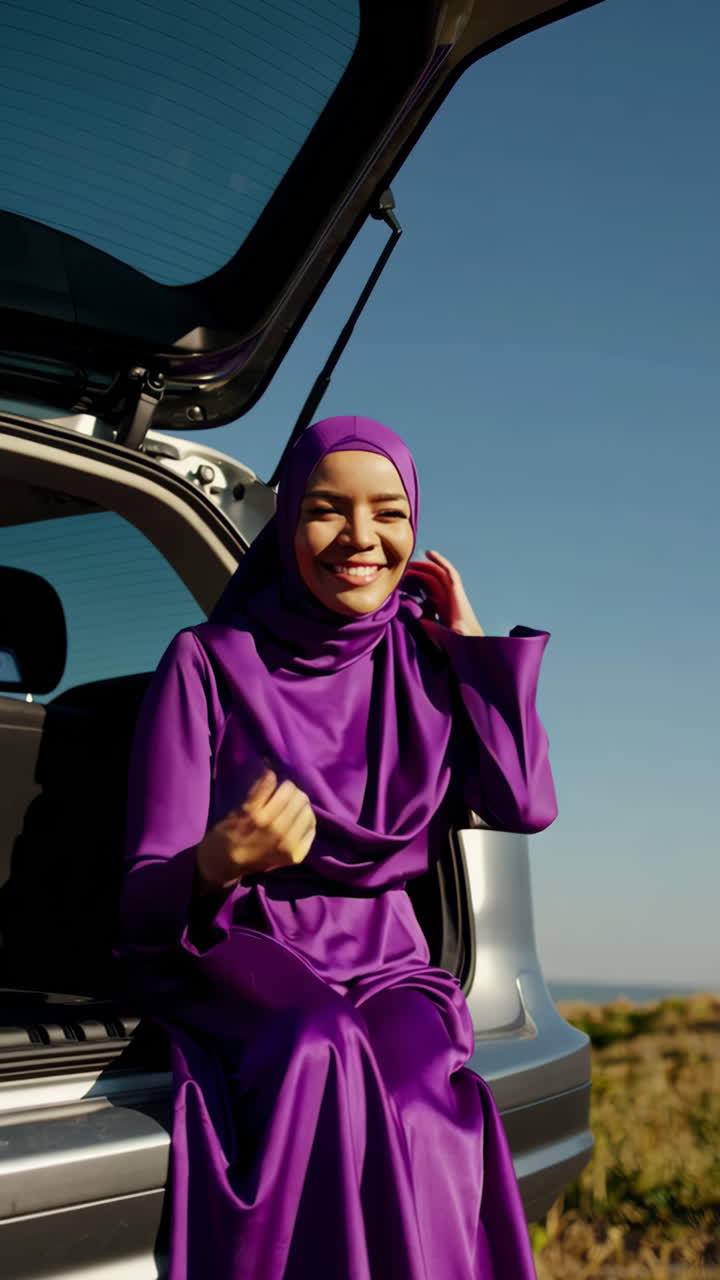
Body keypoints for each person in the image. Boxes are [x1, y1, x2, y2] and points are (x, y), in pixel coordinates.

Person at [117, 415, 557, 1279]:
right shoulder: (206, 662)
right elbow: (138, 900)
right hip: (245, 950)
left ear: (415, 527)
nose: (361, 538)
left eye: (388, 513)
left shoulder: (427, 662)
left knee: (426, 1109)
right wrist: (220, 860)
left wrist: (472, 650)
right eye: (328, 509)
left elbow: (523, 803)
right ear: (285, 526)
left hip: (392, 968)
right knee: (317, 1043)